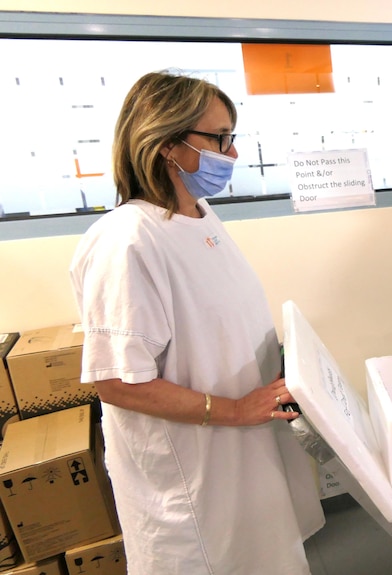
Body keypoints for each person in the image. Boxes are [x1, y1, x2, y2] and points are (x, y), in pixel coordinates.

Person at [70, 71, 324, 574]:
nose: (231, 154)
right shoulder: (127, 241)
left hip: (242, 451)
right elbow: (117, 381)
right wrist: (234, 409)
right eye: (219, 138)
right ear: (166, 144)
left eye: (232, 138)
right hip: (193, 469)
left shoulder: (200, 216)